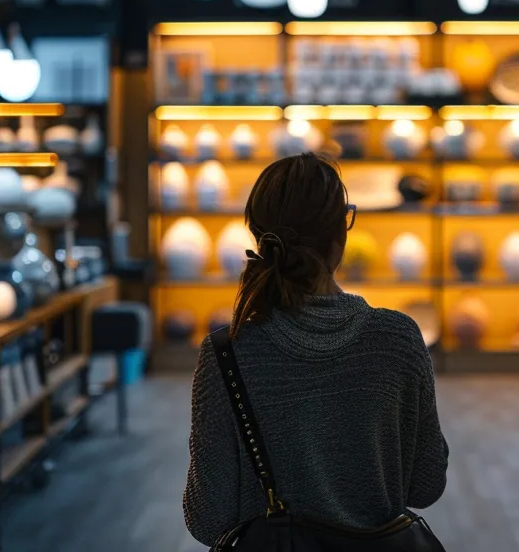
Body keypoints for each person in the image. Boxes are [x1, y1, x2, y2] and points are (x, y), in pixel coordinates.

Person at [183, 153, 448, 547]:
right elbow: (426, 486)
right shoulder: (399, 338)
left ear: (258, 237)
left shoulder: (228, 351)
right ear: (341, 233)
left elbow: (208, 520)